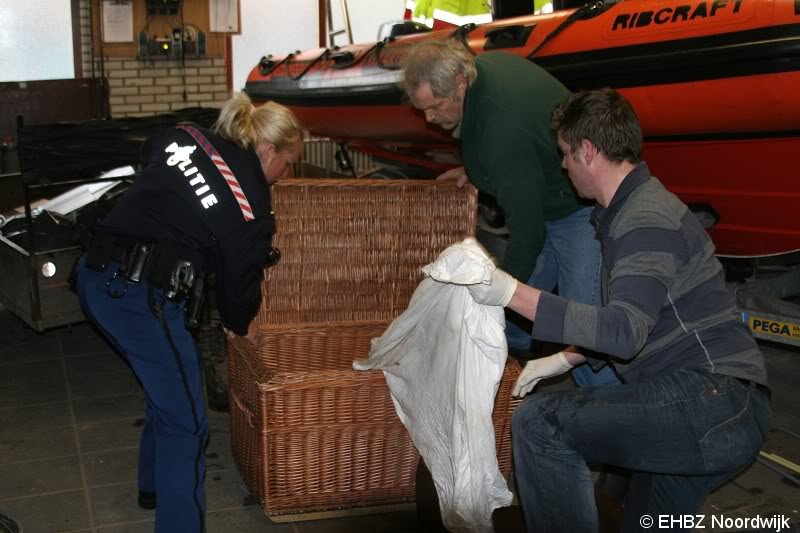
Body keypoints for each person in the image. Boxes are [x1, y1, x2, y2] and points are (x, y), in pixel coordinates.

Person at [467, 88, 770, 532]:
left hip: (711, 401)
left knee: (539, 423)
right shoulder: (630, 212)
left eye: (567, 154)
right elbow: (643, 320)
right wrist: (563, 359)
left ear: (588, 151)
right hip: (714, 408)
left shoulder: (644, 216)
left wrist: (510, 291)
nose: (563, 165)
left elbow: (623, 332)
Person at [73, 93, 303, 532]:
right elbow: (238, 296)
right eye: (288, 163)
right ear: (268, 151)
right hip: (139, 299)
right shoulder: (250, 206)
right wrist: (246, 327)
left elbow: (150, 153)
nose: (284, 176)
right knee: (188, 424)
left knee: (171, 385)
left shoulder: (190, 135)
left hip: (94, 276)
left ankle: (152, 487)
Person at [401, 38, 618, 386]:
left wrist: (497, 289)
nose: (429, 118)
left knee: (585, 330)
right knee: (510, 314)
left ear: (460, 83)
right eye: (422, 109)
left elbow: (527, 231)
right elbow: (519, 159)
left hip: (577, 210)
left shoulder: (499, 129)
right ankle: (498, 375)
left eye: (436, 106)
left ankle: (608, 413)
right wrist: (476, 172)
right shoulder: (484, 70)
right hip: (544, 196)